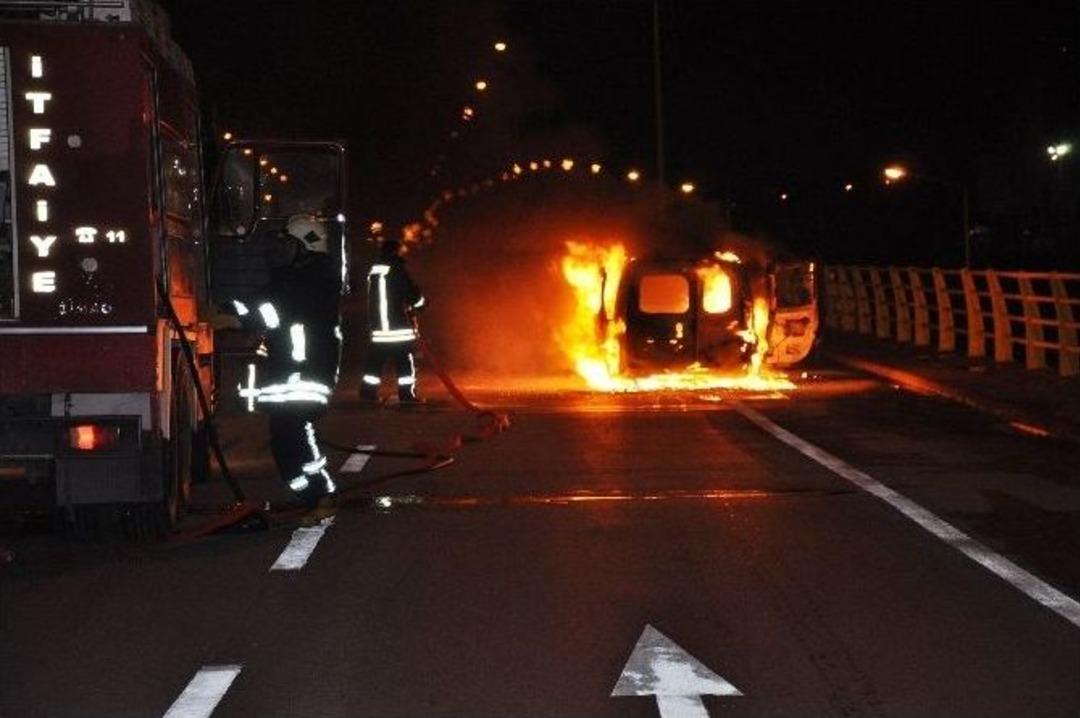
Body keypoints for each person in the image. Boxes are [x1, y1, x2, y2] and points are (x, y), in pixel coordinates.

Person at [226, 214, 343, 506]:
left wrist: (230, 311)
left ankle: (318, 494)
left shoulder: (303, 283)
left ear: (305, 246)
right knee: (288, 439)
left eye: (288, 245)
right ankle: (310, 494)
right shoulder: (312, 279)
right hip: (299, 373)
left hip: (299, 375)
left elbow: (269, 309)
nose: (281, 252)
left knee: (293, 438)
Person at [360, 237, 426, 404]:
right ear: (396, 251)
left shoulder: (374, 271)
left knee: (374, 364)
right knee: (404, 363)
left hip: (378, 329)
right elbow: (412, 294)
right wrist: (421, 304)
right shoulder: (397, 269)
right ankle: (406, 396)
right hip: (398, 329)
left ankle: (367, 394)